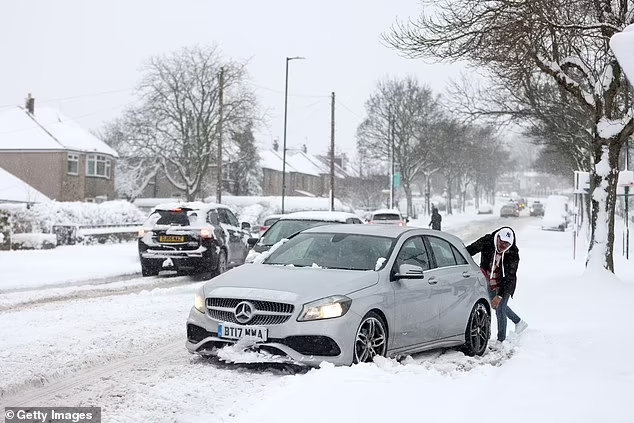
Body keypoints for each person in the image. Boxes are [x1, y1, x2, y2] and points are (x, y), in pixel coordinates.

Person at [466, 226, 528, 345]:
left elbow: (510, 276)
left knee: (499, 309)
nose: (503, 245)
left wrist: (500, 295)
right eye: (502, 241)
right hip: (489, 279)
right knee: (495, 305)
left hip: (505, 284)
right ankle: (519, 322)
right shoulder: (487, 241)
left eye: (507, 243)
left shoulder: (513, 253)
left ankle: (501, 341)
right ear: (498, 237)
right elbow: (471, 249)